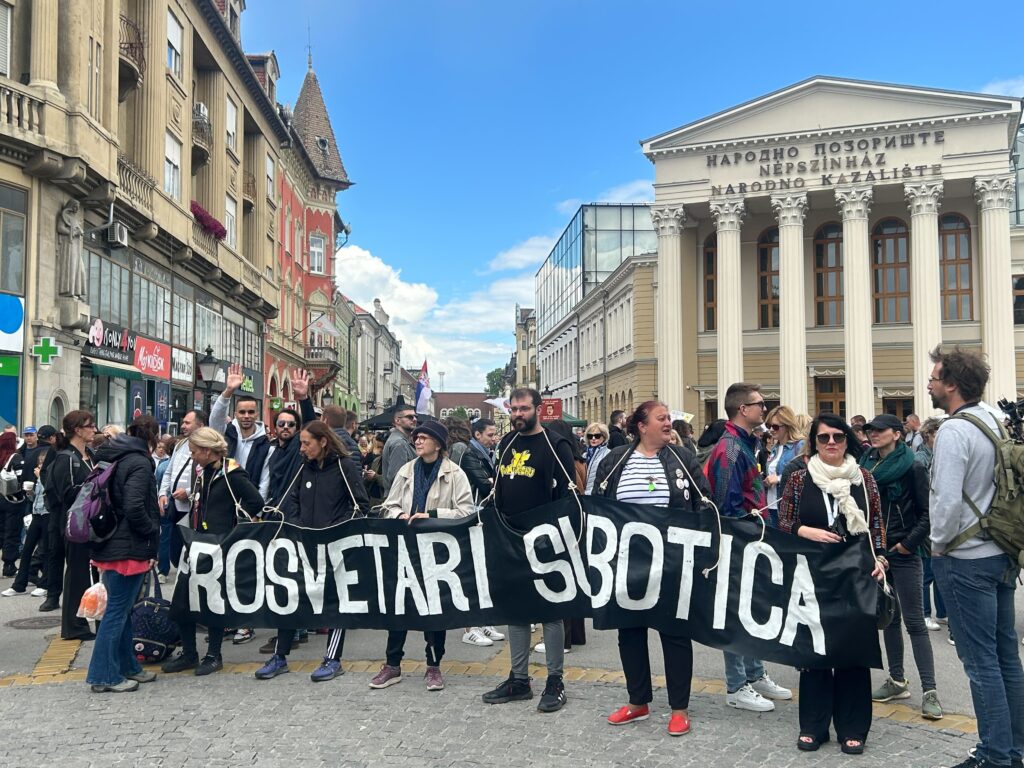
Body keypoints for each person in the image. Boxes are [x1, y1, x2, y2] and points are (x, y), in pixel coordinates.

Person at [926, 346, 1024, 768]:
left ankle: (994, 755)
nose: (929, 384)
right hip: (1001, 548)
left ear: (951, 384)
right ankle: (1014, 748)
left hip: (964, 557)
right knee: (1005, 657)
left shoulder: (953, 430)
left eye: (934, 378)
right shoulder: (992, 420)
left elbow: (946, 503)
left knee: (980, 661)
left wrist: (937, 546)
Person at [593, 401, 710, 737]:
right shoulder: (616, 460)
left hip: (672, 562)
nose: (668, 423)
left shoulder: (682, 458)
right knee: (629, 631)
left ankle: (679, 708)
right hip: (627, 562)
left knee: (675, 633)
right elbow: (599, 506)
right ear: (641, 426)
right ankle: (638, 701)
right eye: (661, 419)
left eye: (669, 418)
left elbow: (703, 502)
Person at [778, 412, 886, 754]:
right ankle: (813, 724)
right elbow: (783, 522)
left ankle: (853, 726)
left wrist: (881, 559)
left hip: (855, 574)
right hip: (813, 574)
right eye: (823, 438)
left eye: (837, 437)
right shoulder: (798, 478)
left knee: (853, 651)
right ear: (814, 442)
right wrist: (804, 530)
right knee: (814, 650)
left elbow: (877, 524)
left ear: (847, 441)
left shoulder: (864, 478)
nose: (831, 444)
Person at [481, 387, 576, 713]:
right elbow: (499, 487)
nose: (518, 414)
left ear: (537, 409)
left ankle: (555, 681)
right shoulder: (507, 443)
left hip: (546, 539)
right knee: (516, 610)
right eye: (514, 409)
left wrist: (559, 537)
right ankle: (519, 680)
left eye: (524, 409)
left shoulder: (555, 444)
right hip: (511, 538)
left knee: (550, 611)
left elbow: (568, 496)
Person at [255, 421, 369, 682]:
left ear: (323, 441)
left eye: (307, 443)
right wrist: (297, 525)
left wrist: (333, 530)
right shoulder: (304, 468)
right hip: (304, 544)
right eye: (302, 443)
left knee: (335, 602)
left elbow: (360, 506)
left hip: (335, 547)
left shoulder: (345, 466)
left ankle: (333, 659)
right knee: (290, 599)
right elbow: (290, 500)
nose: (302, 448)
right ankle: (279, 656)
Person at [703, 383, 791, 712]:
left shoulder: (745, 444)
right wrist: (746, 533)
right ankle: (736, 684)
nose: (763, 409)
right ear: (743, 409)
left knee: (752, 610)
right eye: (759, 404)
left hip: (753, 536)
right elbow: (727, 506)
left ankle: (754, 674)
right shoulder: (731, 449)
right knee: (737, 613)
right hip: (740, 540)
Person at [369, 420, 474, 692]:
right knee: (400, 606)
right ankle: (392, 664)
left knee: (434, 610)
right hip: (406, 548)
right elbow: (388, 505)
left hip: (438, 551)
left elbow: (466, 511)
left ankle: (434, 664)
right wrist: (398, 514)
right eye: (416, 437)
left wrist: (433, 516)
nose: (417, 441)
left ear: (438, 444)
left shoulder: (455, 474)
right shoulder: (406, 470)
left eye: (423, 438)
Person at [161, 427, 264, 676]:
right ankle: (189, 653)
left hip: (219, 545)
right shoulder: (204, 471)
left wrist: (233, 530)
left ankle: (213, 655)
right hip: (197, 542)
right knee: (183, 601)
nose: (192, 456)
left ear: (208, 451)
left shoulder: (232, 473)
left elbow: (256, 503)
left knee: (213, 603)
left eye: (195, 452)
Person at [860, 413, 943, 719]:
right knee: (888, 619)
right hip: (876, 552)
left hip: (903, 552)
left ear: (897, 434)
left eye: (880, 430)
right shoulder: (867, 463)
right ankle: (897, 680)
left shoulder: (913, 465)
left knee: (915, 623)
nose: (873, 434)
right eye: (871, 430)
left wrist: (907, 544)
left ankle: (930, 690)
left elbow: (927, 512)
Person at [86, 415, 162, 693]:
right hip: (128, 547)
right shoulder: (139, 462)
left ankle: (128, 666)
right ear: (153, 437)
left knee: (122, 611)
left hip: (109, 542)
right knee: (116, 613)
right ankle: (103, 675)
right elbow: (133, 505)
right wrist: (151, 528)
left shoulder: (114, 456)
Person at [41, 411, 97, 637]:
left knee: (84, 572)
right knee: (77, 573)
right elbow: (67, 494)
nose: (94, 429)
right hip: (73, 524)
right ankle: (74, 626)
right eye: (89, 425)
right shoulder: (66, 458)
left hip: (87, 523)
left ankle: (80, 622)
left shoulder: (89, 455)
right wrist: (95, 489)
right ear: (77, 430)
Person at [540, 419, 588, 655]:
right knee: (575, 576)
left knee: (562, 578)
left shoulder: (561, 457)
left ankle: (565, 639)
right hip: (577, 519)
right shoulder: (579, 459)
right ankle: (577, 634)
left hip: (563, 518)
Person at [458, 417, 504, 648]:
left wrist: (494, 480)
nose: (494, 438)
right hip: (473, 517)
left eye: (495, 434)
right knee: (473, 572)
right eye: (490, 434)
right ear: (477, 435)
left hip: (485, 517)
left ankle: (484, 620)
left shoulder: (487, 454)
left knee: (485, 573)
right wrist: (494, 480)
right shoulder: (470, 455)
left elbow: (495, 481)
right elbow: (487, 485)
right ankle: (470, 627)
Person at [158, 410, 209, 580]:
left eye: (188, 423)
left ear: (200, 425)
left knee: (189, 552)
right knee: (174, 549)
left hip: (193, 510)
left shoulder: (207, 447)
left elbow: (207, 477)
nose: (183, 426)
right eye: (183, 422)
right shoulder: (180, 445)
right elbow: (169, 472)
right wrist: (163, 493)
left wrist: (188, 493)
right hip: (175, 507)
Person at [210, 363, 272, 501]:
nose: (246, 416)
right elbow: (215, 419)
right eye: (242, 412)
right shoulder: (227, 433)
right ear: (235, 413)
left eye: (251, 412)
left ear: (257, 414)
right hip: (223, 497)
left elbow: (264, 482)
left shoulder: (266, 445)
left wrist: (257, 510)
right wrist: (229, 391)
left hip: (248, 501)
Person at [3, 450, 51, 597]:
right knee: (27, 550)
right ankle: (19, 585)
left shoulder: (49, 476)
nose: (39, 466)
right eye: (39, 463)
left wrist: (41, 478)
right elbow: (35, 498)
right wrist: (29, 493)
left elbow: (51, 494)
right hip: (37, 515)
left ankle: (45, 584)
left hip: (48, 516)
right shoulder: (38, 478)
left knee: (48, 551)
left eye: (42, 463)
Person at [915, 417, 947, 634]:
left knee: (939, 570)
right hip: (928, 518)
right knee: (927, 571)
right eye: (937, 434)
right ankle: (925, 613)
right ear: (928, 435)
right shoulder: (920, 458)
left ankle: (942, 613)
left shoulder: (941, 455)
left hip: (938, 515)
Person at [762, 405, 805, 528]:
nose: (771, 430)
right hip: (770, 505)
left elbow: (806, 473)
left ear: (787, 426)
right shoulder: (775, 448)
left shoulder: (800, 445)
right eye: (768, 426)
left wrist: (779, 478)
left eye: (775, 426)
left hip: (788, 506)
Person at [0, 430, 27, 577]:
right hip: (12, 500)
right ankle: (9, 565)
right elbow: (21, 478)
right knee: (12, 532)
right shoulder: (15, 458)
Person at [381, 404, 417, 496]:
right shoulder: (399, 443)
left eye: (415, 416)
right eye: (410, 417)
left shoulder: (401, 441)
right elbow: (397, 478)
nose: (414, 419)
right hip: (400, 499)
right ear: (397, 420)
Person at [584, 422, 611, 495]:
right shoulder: (584, 454)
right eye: (590, 436)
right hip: (583, 496)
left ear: (604, 437)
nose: (593, 438)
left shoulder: (608, 454)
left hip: (598, 496)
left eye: (597, 436)